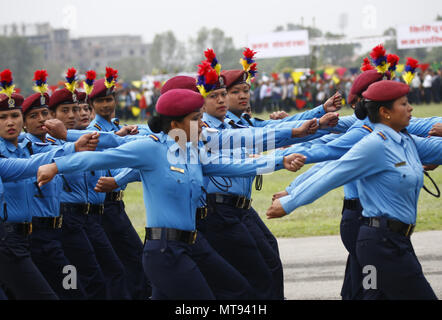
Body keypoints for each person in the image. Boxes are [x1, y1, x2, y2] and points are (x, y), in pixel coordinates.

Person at [37, 88, 307, 300]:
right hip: (165, 251)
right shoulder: (150, 149)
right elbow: (97, 158)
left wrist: (279, 161)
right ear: (176, 123)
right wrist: (55, 165)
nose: (203, 125)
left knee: (237, 290)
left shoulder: (191, 151)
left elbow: (234, 165)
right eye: (196, 119)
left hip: (189, 245)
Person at [267, 80, 442, 300]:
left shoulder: (406, 141)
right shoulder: (374, 144)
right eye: (404, 104)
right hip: (380, 244)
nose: (411, 108)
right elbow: (333, 171)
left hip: (395, 241)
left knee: (371, 295)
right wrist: (290, 200)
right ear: (385, 112)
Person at [86, 68, 151, 300]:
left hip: (117, 205)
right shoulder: (92, 132)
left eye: (109, 99)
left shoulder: (117, 126)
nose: (106, 105)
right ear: (91, 105)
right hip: (103, 207)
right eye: (100, 101)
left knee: (132, 260)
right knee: (125, 262)